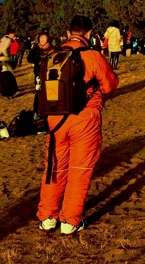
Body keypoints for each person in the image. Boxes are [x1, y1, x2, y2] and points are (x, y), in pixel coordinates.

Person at [37, 15, 120, 236]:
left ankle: (47, 217)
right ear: (90, 34)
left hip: (55, 120)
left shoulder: (52, 56)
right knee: (79, 171)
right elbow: (110, 85)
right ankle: (70, 221)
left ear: (67, 33)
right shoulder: (93, 56)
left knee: (54, 168)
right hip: (85, 118)